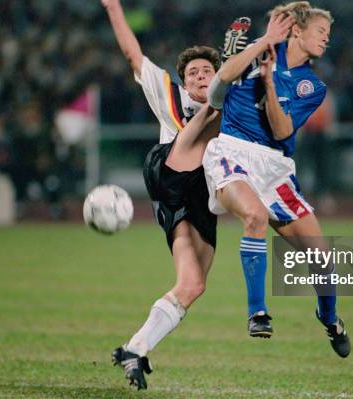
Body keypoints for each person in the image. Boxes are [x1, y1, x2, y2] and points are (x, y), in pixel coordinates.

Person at [102, 0, 251, 389]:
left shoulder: (237, 106)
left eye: (208, 70)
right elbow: (133, 54)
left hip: (196, 195)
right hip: (170, 167)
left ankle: (135, 348)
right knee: (216, 111)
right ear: (185, 82)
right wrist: (114, 7)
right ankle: (231, 64)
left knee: (193, 285)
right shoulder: (170, 94)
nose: (200, 75)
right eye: (194, 73)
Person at [204, 1, 350, 357]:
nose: (326, 39)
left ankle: (329, 319)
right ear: (297, 31)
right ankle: (258, 312)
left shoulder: (312, 87)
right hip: (233, 152)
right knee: (253, 217)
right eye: (321, 31)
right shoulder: (259, 50)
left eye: (328, 35)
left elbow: (283, 128)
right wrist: (261, 42)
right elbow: (221, 80)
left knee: (322, 259)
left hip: (274, 166)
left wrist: (269, 82)